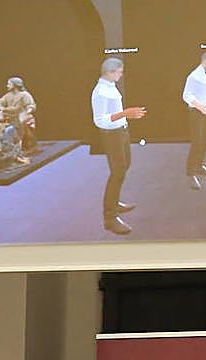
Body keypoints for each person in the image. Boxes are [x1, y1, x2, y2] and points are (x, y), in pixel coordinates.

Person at [92, 58, 146, 235]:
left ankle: (114, 203)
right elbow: (100, 120)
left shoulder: (110, 85)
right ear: (110, 72)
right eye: (119, 72)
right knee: (117, 173)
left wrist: (125, 118)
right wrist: (126, 113)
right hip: (112, 136)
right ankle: (110, 217)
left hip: (121, 132)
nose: (121, 75)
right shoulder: (100, 92)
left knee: (124, 167)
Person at [182, 50, 206, 190]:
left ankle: (199, 166)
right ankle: (190, 174)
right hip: (196, 114)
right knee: (197, 142)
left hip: (205, 112)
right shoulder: (193, 76)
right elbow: (186, 96)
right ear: (205, 61)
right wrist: (200, 108)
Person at [0, 76, 37, 154]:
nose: (7, 86)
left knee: (22, 126)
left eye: (9, 84)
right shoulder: (8, 95)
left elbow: (31, 105)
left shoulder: (24, 95)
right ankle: (3, 148)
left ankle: (27, 146)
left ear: (15, 85)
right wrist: (0, 107)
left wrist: (29, 110)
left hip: (22, 116)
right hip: (10, 118)